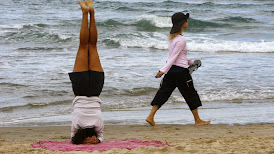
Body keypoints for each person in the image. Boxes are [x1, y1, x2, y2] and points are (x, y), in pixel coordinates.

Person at [146, 12, 211, 126]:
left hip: (172, 71)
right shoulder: (181, 40)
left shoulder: (173, 38)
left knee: (163, 93)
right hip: (181, 72)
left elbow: (177, 56)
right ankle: (197, 120)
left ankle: (150, 117)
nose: (187, 22)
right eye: (186, 20)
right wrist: (162, 71)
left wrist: (190, 62)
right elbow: (173, 57)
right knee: (190, 94)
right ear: (182, 23)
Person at [68, 0, 104, 144]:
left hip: (95, 89)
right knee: (85, 46)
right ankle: (85, 12)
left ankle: (91, 12)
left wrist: (98, 141)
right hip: (81, 89)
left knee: (91, 46)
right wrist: (89, 141)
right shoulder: (77, 126)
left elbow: (101, 136)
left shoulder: (98, 125)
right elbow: (73, 137)